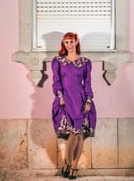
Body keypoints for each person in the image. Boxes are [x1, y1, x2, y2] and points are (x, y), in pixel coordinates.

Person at [51, 32, 97, 179]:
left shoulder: (85, 62)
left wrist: (88, 100)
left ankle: (73, 168)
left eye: (71, 42)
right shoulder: (58, 61)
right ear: (63, 45)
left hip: (80, 100)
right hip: (66, 99)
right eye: (66, 42)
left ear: (76, 42)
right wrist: (60, 97)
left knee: (79, 136)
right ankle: (67, 164)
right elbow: (56, 81)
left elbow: (87, 83)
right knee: (73, 135)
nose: (69, 45)